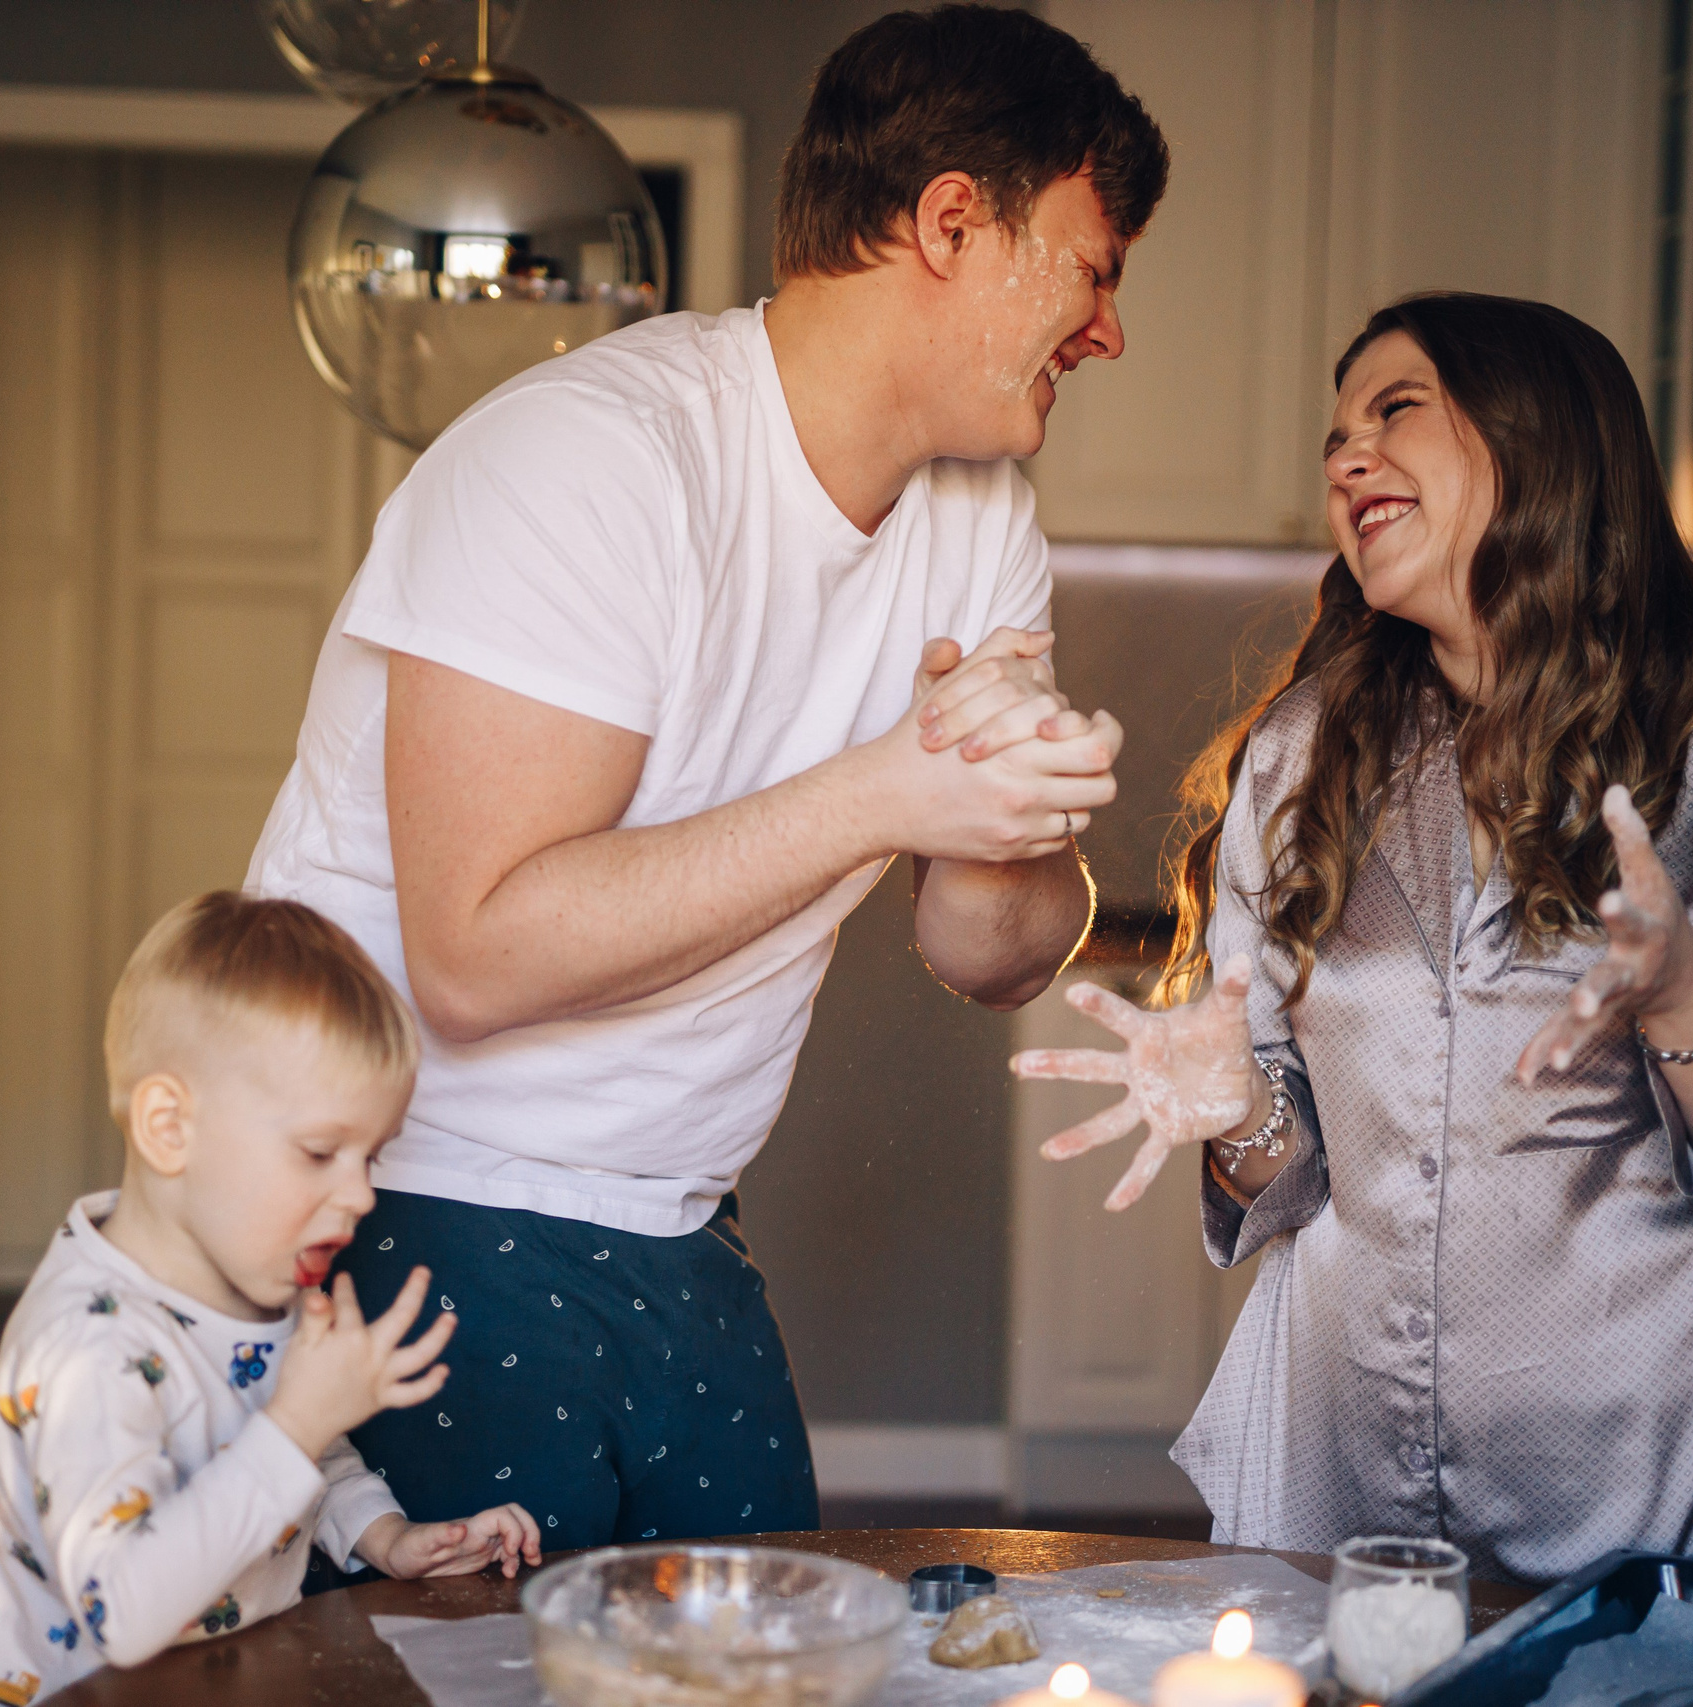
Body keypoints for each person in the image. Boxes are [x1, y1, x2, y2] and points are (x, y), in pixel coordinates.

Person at [246, 4, 1168, 1552]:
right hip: (411, 1199)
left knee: (763, 1658)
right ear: (953, 222)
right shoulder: (592, 461)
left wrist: (1026, 812)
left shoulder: (981, 517)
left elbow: (984, 954)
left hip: (681, 1223)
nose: (1109, 330)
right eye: (1093, 265)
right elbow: (473, 955)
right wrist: (887, 791)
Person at [1013, 292, 1693, 1583]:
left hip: (1658, 1510)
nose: (1345, 457)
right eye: (1336, 432)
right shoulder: (1302, 752)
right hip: (1351, 1499)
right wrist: (1238, 1111)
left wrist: (1684, 1003)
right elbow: (1287, 1175)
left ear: (1544, 440)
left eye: (1396, 411)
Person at [0, 893, 541, 1704]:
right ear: (170, 1127)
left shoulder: (255, 1280)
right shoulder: (85, 1348)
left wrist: (388, 1537)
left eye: (369, 1156)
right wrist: (300, 1419)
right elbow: (123, 1612)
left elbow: (305, 1449)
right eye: (320, 1152)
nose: (361, 1195)